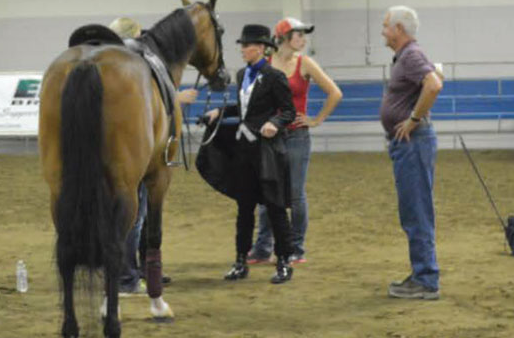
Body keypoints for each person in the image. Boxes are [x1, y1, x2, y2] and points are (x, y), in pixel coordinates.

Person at [200, 24, 296, 285]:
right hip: (245, 151)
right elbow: (244, 109)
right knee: (244, 209)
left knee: (275, 207)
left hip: (267, 151)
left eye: (247, 45)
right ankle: (241, 260)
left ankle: (285, 261)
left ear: (262, 48)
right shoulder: (243, 75)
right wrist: (219, 113)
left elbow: (288, 111)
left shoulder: (276, 77)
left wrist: (274, 124)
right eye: (242, 45)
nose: (242, 50)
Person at [108, 16, 198, 295]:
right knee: (135, 213)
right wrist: (177, 100)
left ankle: (135, 269)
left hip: (122, 152)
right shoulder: (137, 67)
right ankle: (127, 275)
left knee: (134, 213)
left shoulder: (114, 68)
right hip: (140, 153)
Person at [248, 17, 342, 264]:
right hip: (270, 136)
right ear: (284, 37)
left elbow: (335, 92)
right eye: (299, 35)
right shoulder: (264, 65)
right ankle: (262, 248)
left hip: (297, 136)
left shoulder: (305, 64)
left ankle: (295, 249)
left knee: (296, 195)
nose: (303, 39)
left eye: (303, 35)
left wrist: (316, 119)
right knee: (267, 194)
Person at [380, 6, 443, 300]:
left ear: (399, 30)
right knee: (413, 210)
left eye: (385, 26)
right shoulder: (407, 57)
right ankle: (422, 274)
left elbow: (433, 84)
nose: (383, 31)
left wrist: (414, 119)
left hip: (413, 143)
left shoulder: (412, 55)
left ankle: (426, 279)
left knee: (417, 211)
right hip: (408, 144)